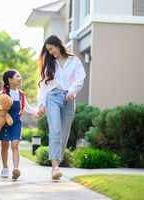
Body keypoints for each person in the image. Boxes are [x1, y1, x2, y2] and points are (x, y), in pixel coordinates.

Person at [37, 35, 86, 180]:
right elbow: (44, 86)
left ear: (58, 45)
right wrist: (41, 104)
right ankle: (55, 168)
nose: (50, 52)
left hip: (69, 100)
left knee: (64, 135)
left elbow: (80, 77)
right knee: (56, 131)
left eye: (51, 49)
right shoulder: (49, 63)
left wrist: (72, 91)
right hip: (52, 98)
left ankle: (57, 165)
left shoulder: (74, 61)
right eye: (48, 50)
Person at [0, 69, 38, 180]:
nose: (20, 78)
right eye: (17, 76)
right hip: (5, 123)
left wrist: (39, 112)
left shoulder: (21, 94)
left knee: (15, 145)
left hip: (16, 123)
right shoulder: (2, 93)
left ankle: (16, 169)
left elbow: (27, 108)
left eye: (20, 76)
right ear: (10, 80)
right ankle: (5, 168)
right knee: (5, 146)